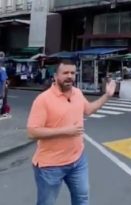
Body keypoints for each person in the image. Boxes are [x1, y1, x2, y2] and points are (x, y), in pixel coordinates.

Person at [27, 59, 116, 205]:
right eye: (65, 73)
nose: (70, 76)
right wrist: (65, 131)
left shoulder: (77, 93)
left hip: (77, 161)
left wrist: (107, 96)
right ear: (55, 76)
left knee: (82, 200)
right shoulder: (43, 100)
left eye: (73, 73)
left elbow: (88, 110)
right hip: (50, 166)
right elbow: (32, 132)